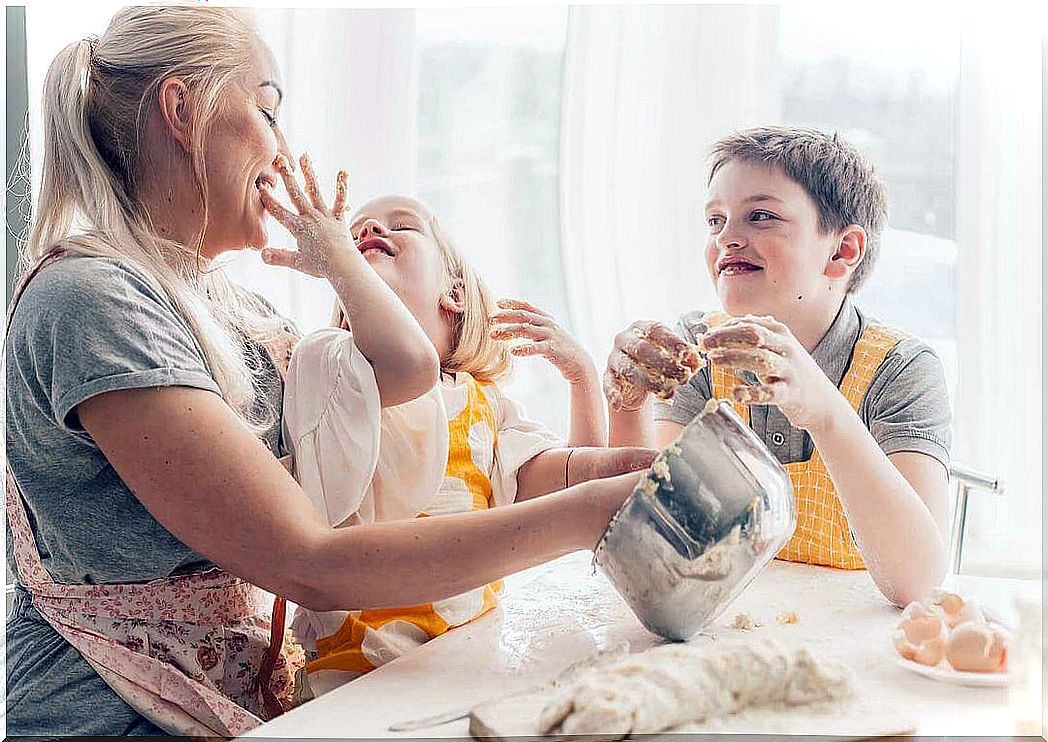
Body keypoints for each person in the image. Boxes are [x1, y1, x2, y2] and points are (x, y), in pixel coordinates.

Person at [3, 7, 650, 736]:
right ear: (182, 112)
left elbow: (404, 372)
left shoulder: (239, 311)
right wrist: (592, 512)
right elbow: (305, 560)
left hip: (237, 695)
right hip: (106, 712)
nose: (283, 153)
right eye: (268, 113)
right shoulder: (90, 301)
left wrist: (607, 463)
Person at [257, 192, 608, 694]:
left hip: (473, 658)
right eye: (353, 239)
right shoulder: (335, 377)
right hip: (361, 674)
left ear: (455, 293)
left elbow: (568, 488)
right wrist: (342, 264)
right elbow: (398, 358)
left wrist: (582, 379)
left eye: (401, 225)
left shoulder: (486, 404)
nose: (370, 232)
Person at [604, 126, 951, 607]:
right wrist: (626, 405)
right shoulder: (696, 349)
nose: (727, 238)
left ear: (842, 252)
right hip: (730, 631)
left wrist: (824, 410)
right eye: (715, 221)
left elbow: (916, 584)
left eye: (760, 216)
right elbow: (651, 546)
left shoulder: (901, 369)